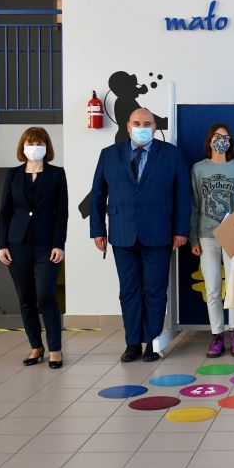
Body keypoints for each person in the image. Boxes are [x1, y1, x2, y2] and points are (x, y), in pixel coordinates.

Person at [90, 108, 191, 363]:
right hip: (121, 232)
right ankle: (132, 342)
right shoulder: (109, 155)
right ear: (128, 126)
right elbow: (98, 195)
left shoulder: (171, 154)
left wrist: (181, 230)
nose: (142, 127)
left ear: (155, 127)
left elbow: (183, 195)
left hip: (159, 232)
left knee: (155, 290)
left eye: (147, 123)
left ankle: (152, 342)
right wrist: (98, 230)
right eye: (137, 123)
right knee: (129, 291)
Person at [0, 127, 68, 369]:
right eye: (30, 143)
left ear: (47, 147)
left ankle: (55, 348)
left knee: (45, 295)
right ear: (23, 147)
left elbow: (62, 213)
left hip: (46, 245)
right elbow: (4, 213)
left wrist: (59, 244)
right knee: (26, 298)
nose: (34, 147)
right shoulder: (13, 174)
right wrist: (1, 245)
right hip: (17, 244)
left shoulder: (57, 174)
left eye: (39, 143)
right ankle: (36, 346)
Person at [190, 123, 234, 358]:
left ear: (230, 142)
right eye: (217, 137)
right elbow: (194, 205)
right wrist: (193, 237)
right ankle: (217, 335)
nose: (221, 141)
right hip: (207, 235)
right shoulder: (199, 169)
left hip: (232, 232)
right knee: (213, 288)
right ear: (209, 140)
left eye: (225, 137)